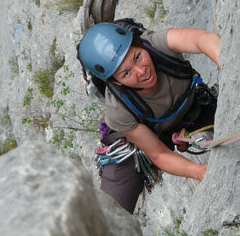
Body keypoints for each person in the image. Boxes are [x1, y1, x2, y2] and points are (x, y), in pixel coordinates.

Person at [77, 21, 221, 213]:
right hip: (134, 141)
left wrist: (229, 66)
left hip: (186, 111)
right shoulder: (119, 109)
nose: (141, 71)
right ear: (116, 82)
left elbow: (202, 39)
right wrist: (200, 173)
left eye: (137, 57)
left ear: (140, 43)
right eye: (126, 73)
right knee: (113, 213)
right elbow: (158, 154)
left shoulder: (156, 45)